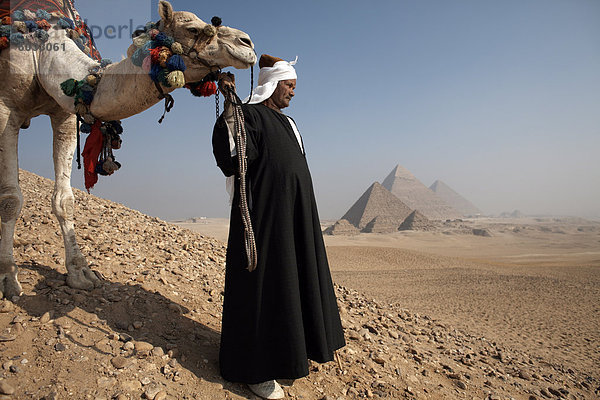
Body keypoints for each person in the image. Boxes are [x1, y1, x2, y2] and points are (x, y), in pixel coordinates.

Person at [212, 54, 346, 399]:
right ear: (272, 83)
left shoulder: (289, 124)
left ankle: (286, 356)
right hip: (264, 220)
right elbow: (232, 159)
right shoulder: (249, 116)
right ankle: (255, 370)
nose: (293, 92)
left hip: (294, 219)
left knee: (290, 285)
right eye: (290, 85)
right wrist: (231, 110)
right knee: (262, 287)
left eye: (295, 86)